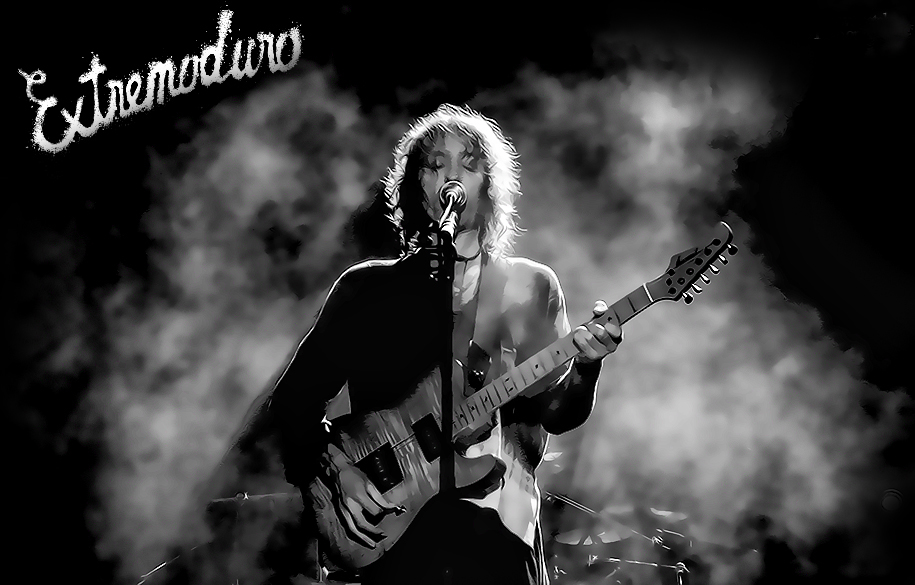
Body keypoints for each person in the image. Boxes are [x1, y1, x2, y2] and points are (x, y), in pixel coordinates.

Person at [185, 104, 623, 585]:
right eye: (435, 165)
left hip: (502, 538)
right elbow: (294, 401)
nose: (451, 177)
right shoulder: (368, 289)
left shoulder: (529, 287)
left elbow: (556, 413)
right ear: (417, 185)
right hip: (396, 542)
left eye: (469, 164)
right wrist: (337, 470)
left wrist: (587, 367)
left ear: (489, 185)